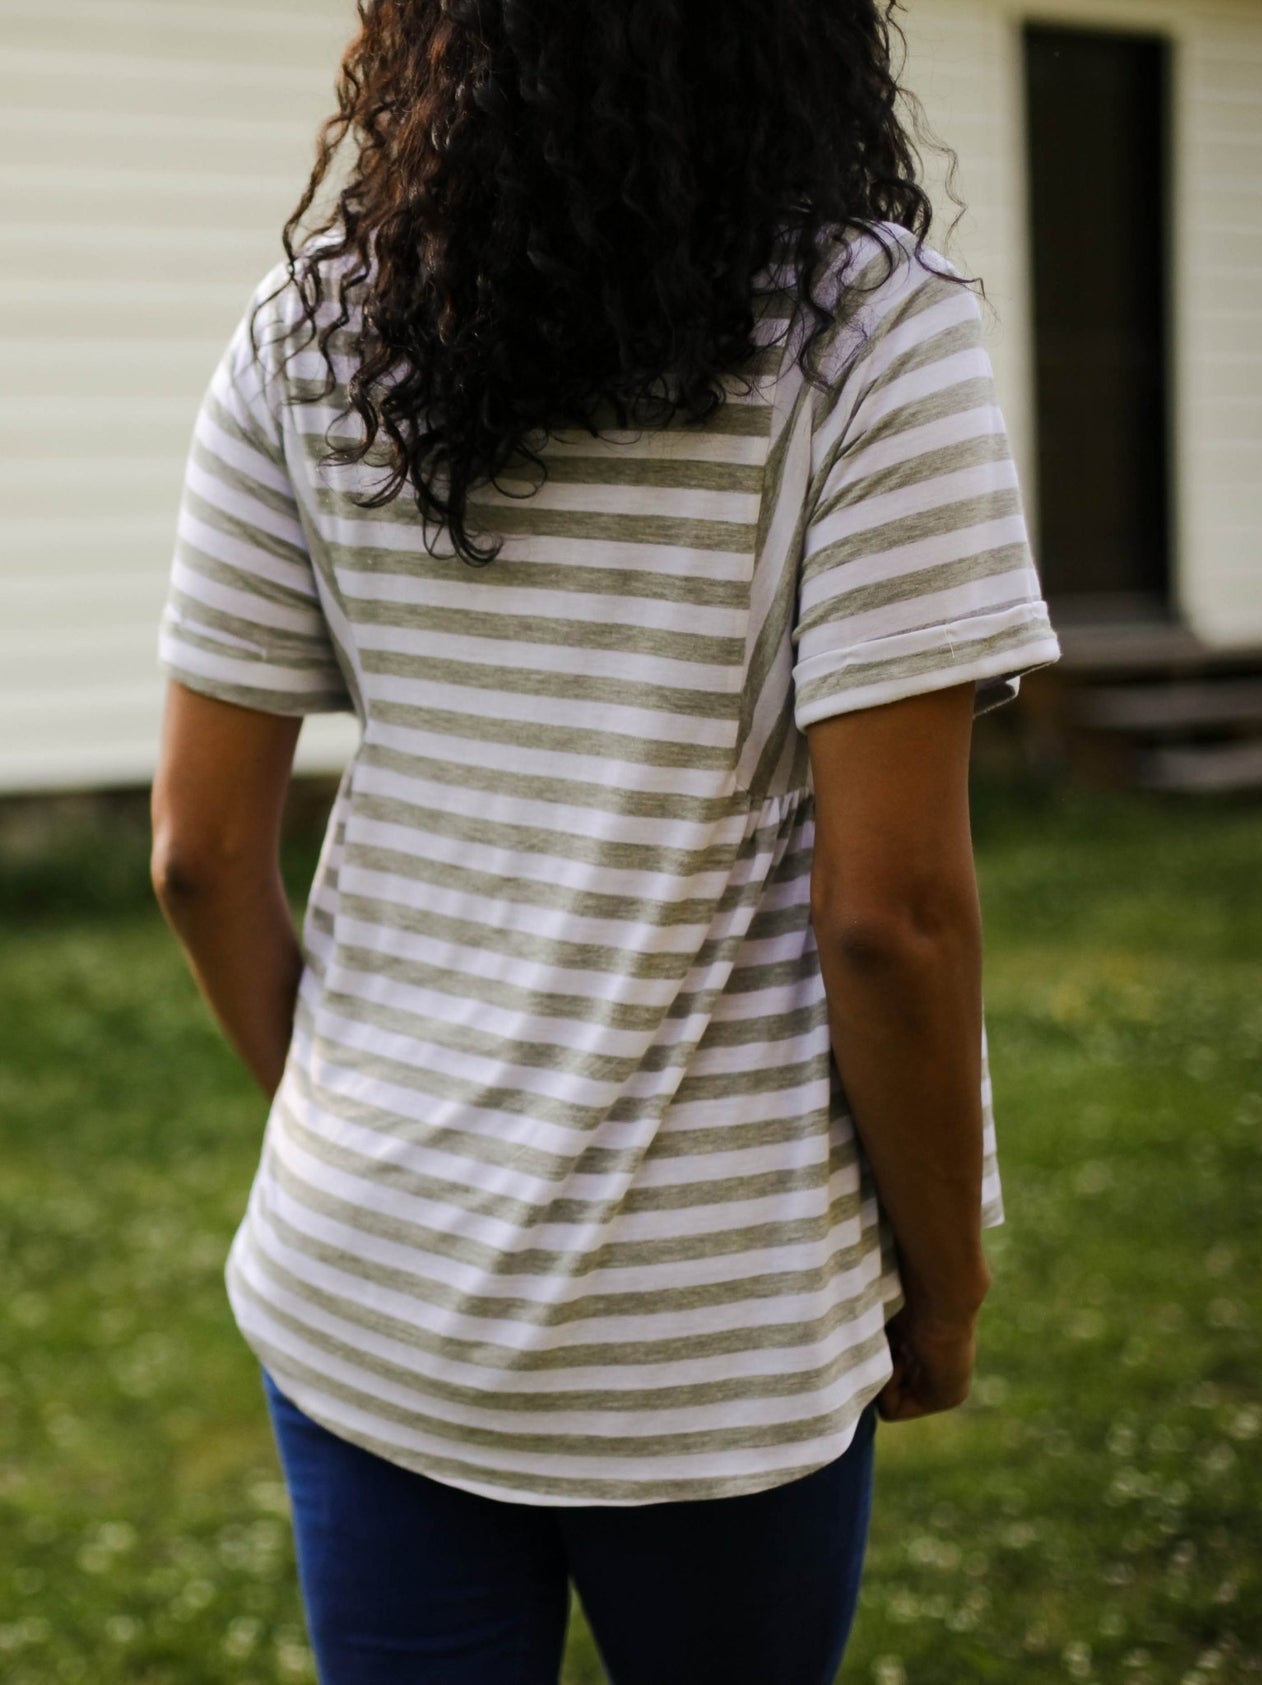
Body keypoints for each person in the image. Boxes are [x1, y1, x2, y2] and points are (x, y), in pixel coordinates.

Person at [149, 1, 1061, 1680]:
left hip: (366, 1288)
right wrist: (942, 1286)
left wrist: (373, 1141)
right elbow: (893, 915)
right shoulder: (869, 336)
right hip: (714, 1342)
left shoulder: (304, 332)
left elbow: (199, 852)